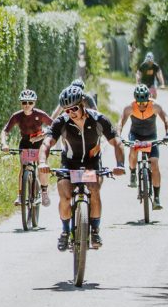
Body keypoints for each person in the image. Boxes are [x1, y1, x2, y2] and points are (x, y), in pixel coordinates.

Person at [38, 83, 125, 250]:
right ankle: (65, 232)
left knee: (94, 190)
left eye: (74, 108)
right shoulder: (61, 122)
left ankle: (95, 231)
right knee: (65, 195)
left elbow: (117, 142)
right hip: (70, 163)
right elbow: (46, 144)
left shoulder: (99, 119)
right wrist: (43, 162)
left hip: (92, 164)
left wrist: (120, 165)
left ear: (83, 104)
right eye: (67, 110)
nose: (71, 113)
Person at [117, 83, 168, 209]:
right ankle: (133, 173)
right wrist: (118, 135)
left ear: (148, 99)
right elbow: (120, 122)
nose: (141, 105)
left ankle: (156, 198)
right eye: (139, 103)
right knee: (133, 149)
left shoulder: (155, 106)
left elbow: (166, 119)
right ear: (135, 100)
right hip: (135, 135)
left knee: (155, 164)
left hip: (151, 136)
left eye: (144, 103)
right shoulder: (129, 108)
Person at [0, 89, 53, 207]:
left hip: (39, 144)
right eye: (24, 102)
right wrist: (4, 143)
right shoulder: (17, 116)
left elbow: (54, 126)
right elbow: (5, 131)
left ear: (34, 103)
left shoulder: (40, 114)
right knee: (23, 168)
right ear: (21, 103)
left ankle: (44, 192)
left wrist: (43, 135)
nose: (27, 105)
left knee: (42, 167)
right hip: (25, 143)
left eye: (30, 102)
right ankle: (20, 195)